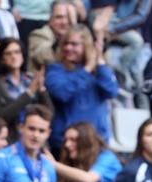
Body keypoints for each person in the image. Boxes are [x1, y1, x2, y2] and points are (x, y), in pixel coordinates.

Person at [45, 25, 118, 154]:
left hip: (96, 141)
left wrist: (99, 61)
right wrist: (87, 69)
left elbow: (111, 91)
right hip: (66, 143)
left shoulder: (99, 71)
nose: (68, 48)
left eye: (74, 44)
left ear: (87, 47)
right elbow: (62, 93)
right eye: (66, 44)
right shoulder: (55, 70)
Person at [0, 37, 52, 143]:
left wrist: (41, 89)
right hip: (10, 140)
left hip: (35, 141)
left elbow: (49, 114)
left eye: (17, 52)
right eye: (8, 53)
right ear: (2, 58)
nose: (14, 57)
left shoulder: (31, 79)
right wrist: (29, 93)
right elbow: (2, 116)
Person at [27, 1, 79, 68]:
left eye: (69, 18)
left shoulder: (79, 35)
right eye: (59, 17)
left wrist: (74, 27)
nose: (64, 22)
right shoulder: (38, 35)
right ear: (50, 20)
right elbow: (44, 58)